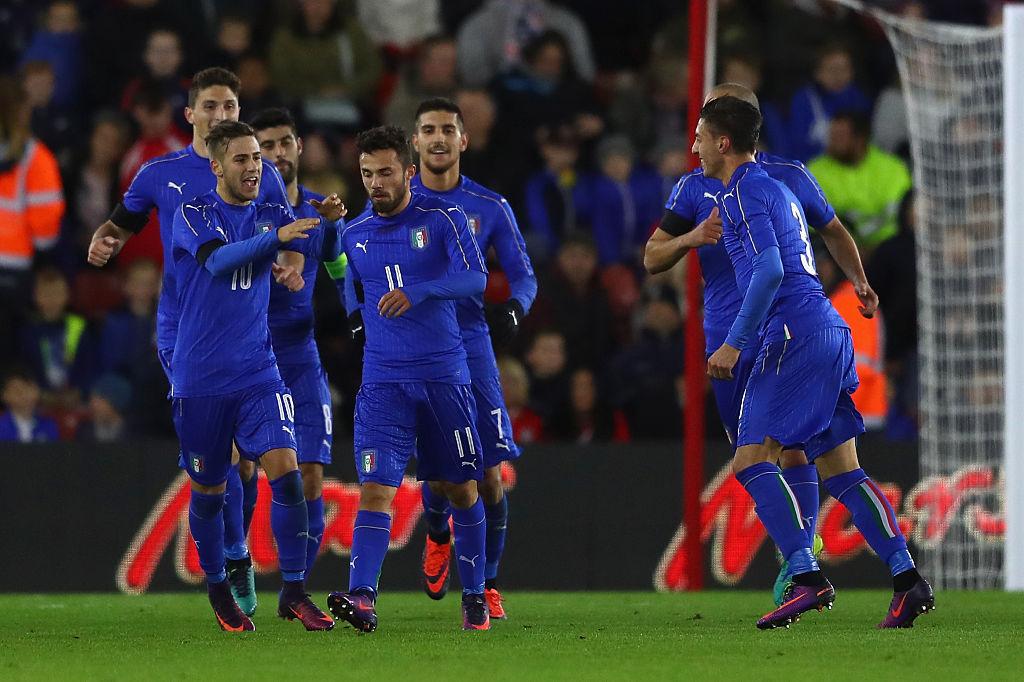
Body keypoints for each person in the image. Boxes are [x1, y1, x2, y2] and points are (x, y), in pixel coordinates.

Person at [695, 96, 933, 629]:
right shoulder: (781, 186)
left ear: (723, 142)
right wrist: (860, 283)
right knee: (842, 471)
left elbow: (770, 270)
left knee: (751, 459)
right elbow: (826, 234)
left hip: (790, 333)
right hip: (828, 326)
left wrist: (734, 341)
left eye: (700, 137)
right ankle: (906, 577)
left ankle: (805, 576)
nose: (695, 148)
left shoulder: (739, 193)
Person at [644, 82, 876, 606]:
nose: (697, 138)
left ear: (733, 129)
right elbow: (652, 257)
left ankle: (800, 563)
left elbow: (833, 230)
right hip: (729, 340)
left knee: (789, 448)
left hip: (781, 333)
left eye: (707, 125)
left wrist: (858, 279)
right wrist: (690, 238)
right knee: (754, 455)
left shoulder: (787, 176)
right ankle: (802, 557)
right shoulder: (692, 190)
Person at [86, 66, 301, 610]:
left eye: (229, 106)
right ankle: (232, 554)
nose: (221, 116)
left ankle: (238, 555)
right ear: (190, 115)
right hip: (184, 331)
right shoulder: (162, 174)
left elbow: (286, 229)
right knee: (228, 457)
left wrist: (293, 260)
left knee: (250, 462)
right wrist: (105, 239)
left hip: (247, 326)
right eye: (211, 107)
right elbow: (122, 221)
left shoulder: (260, 172)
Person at [169, 119, 340, 632]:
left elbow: (325, 253)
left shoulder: (271, 211)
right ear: (217, 165)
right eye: (242, 159)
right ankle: (219, 586)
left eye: (257, 159)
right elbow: (219, 262)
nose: (252, 168)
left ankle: (293, 591)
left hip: (258, 372)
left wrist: (328, 224)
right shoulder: (194, 213)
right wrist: (276, 242)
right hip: (200, 378)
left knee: (287, 475)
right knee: (210, 492)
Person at [326, 125, 491, 632]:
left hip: (444, 376)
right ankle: (363, 597)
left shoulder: (442, 218)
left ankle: (476, 597)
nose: (376, 182)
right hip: (382, 384)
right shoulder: (355, 233)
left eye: (386, 172)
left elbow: (476, 278)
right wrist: (350, 302)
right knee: (376, 489)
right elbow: (339, 269)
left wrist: (421, 292)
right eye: (367, 174)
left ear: (409, 172)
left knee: (460, 489)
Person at [405, 98, 537, 620]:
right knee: (442, 476)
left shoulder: (489, 206)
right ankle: (438, 533)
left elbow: (525, 275)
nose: (438, 138)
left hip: (472, 344)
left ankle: (487, 583)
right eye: (428, 130)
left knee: (488, 474)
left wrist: (516, 310)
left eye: (447, 130)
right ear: (415, 142)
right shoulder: (397, 201)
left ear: (464, 141)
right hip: (416, 348)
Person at [242, 107, 347, 597]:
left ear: (299, 146)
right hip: (249, 354)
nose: (277, 153)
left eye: (285, 142)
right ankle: (235, 564)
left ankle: (295, 590)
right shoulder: (241, 211)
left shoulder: (320, 211)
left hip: (300, 355)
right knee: (241, 472)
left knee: (310, 475)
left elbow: (340, 267)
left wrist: (360, 314)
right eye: (266, 146)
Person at [0, 367, 59, 443]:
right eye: (18, 391)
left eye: (29, 388)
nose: (25, 395)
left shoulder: (49, 425)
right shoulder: (1, 426)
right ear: (4, 395)